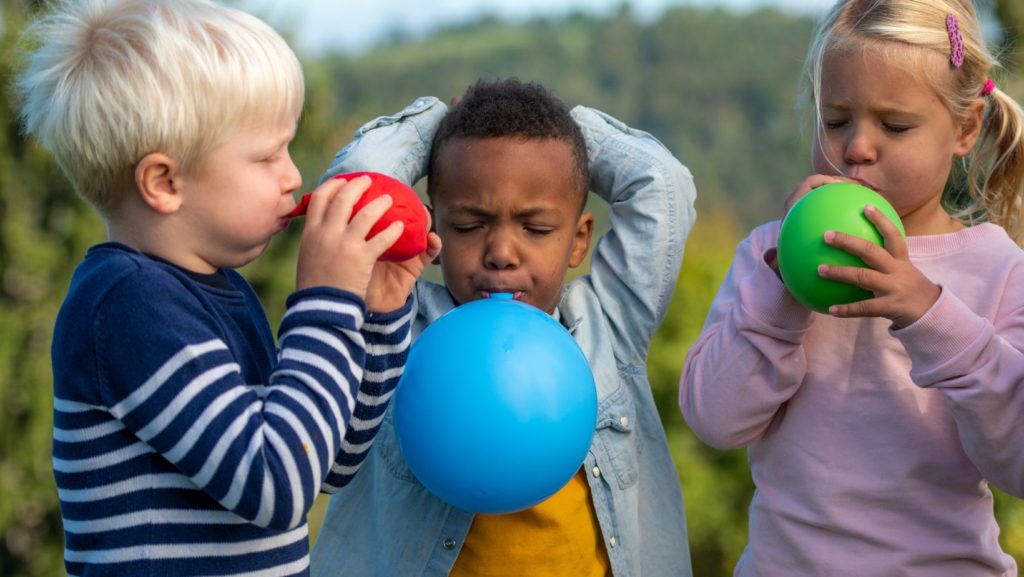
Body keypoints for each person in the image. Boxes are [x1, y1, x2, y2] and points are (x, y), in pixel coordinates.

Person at [13, 1, 440, 575]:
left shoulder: (222, 293)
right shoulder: (126, 305)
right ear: (164, 182)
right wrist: (326, 303)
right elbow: (279, 484)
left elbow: (328, 462)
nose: (293, 175)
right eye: (267, 156)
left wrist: (376, 315)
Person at [679, 0, 1024, 575]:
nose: (857, 147)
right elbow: (714, 421)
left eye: (894, 125)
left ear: (965, 128)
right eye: (836, 120)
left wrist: (930, 314)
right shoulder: (769, 253)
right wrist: (779, 297)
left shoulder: (998, 268)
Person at [309, 78, 696, 576]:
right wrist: (437, 124)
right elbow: (357, 190)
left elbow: (662, 184)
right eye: (470, 226)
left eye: (536, 229)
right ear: (435, 229)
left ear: (579, 241)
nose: (501, 254)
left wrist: (566, 131)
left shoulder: (609, 326)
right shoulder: (395, 326)